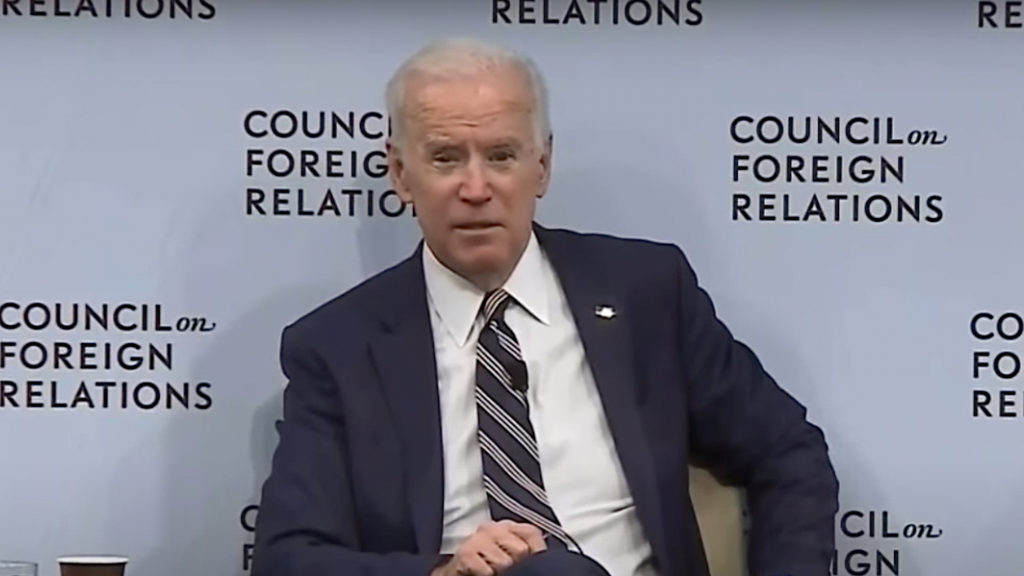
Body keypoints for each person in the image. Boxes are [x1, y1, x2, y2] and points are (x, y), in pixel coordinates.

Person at [250, 37, 839, 576]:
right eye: (446, 158)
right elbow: (287, 559)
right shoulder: (338, 347)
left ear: (543, 166)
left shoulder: (647, 294)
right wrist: (442, 572)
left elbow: (789, 454)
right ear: (402, 175)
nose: (476, 189)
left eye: (501, 156)